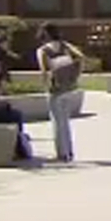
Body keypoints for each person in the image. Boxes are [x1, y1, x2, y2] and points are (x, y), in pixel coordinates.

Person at [36, 23, 85, 163]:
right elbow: (81, 57)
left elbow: (44, 71)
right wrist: (76, 75)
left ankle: (61, 154)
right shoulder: (65, 46)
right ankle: (69, 151)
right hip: (69, 88)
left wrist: (45, 84)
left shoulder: (43, 50)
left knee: (57, 122)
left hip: (55, 89)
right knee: (65, 121)